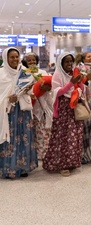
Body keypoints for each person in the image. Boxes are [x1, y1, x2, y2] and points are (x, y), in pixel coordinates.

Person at [42, 52, 87, 177]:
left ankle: (72, 162)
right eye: (66, 61)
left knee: (74, 136)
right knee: (63, 137)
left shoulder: (74, 73)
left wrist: (81, 82)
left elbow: (83, 89)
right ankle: (62, 165)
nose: (69, 64)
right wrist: (71, 83)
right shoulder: (57, 75)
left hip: (75, 108)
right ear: (61, 63)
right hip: (63, 109)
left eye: (70, 62)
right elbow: (58, 92)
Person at [0, 47, 38, 179]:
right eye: (12, 57)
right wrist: (8, 98)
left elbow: (30, 92)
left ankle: (22, 167)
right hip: (8, 112)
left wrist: (28, 90)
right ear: (5, 58)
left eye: (17, 56)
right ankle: (9, 168)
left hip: (22, 111)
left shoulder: (25, 72)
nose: (15, 59)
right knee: (10, 137)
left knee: (23, 136)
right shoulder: (1, 74)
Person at [21, 52, 53, 160]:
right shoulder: (23, 73)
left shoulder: (43, 72)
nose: (32, 62)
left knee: (44, 131)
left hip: (43, 107)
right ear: (25, 62)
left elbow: (51, 87)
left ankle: (44, 153)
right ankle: (34, 154)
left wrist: (47, 88)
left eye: (33, 60)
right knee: (32, 132)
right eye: (29, 60)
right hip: (30, 106)